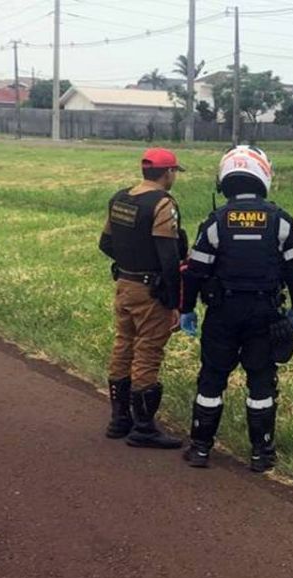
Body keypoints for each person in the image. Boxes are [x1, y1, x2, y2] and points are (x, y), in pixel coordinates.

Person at [179, 146, 293, 472]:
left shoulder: (215, 223)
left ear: (225, 179)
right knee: (261, 380)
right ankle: (261, 454)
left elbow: (196, 271)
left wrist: (187, 309)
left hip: (222, 313)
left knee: (212, 377)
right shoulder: (282, 222)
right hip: (265, 314)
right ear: (263, 175)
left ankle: (200, 449)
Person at [98, 148, 188, 449]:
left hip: (124, 283)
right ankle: (144, 428)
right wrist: (175, 301)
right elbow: (169, 256)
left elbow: (106, 243)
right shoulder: (163, 204)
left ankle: (119, 419)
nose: (174, 176)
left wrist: (129, 263)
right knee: (148, 352)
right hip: (150, 291)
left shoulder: (120, 198)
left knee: (123, 346)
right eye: (174, 172)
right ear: (168, 173)